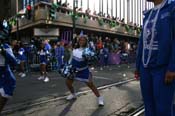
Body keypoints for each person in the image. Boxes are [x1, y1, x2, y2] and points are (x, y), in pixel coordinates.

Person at [136, 0, 175, 115]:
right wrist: (138, 65)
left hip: (162, 68)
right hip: (146, 68)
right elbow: (142, 42)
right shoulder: (148, 14)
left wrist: (173, 67)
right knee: (149, 106)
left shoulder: (172, 8)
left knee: (163, 109)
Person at [65, 34, 104, 106]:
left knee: (91, 85)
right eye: (80, 40)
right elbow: (71, 59)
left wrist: (91, 58)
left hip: (84, 70)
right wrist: (68, 67)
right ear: (78, 41)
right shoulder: (75, 50)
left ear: (86, 41)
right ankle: (73, 94)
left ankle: (100, 98)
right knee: (68, 83)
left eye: (83, 40)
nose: (81, 41)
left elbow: (93, 60)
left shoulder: (88, 50)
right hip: (74, 70)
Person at [0, 21, 17, 113]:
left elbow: (14, 62)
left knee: (5, 94)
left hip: (4, 75)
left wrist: (3, 51)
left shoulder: (6, 47)